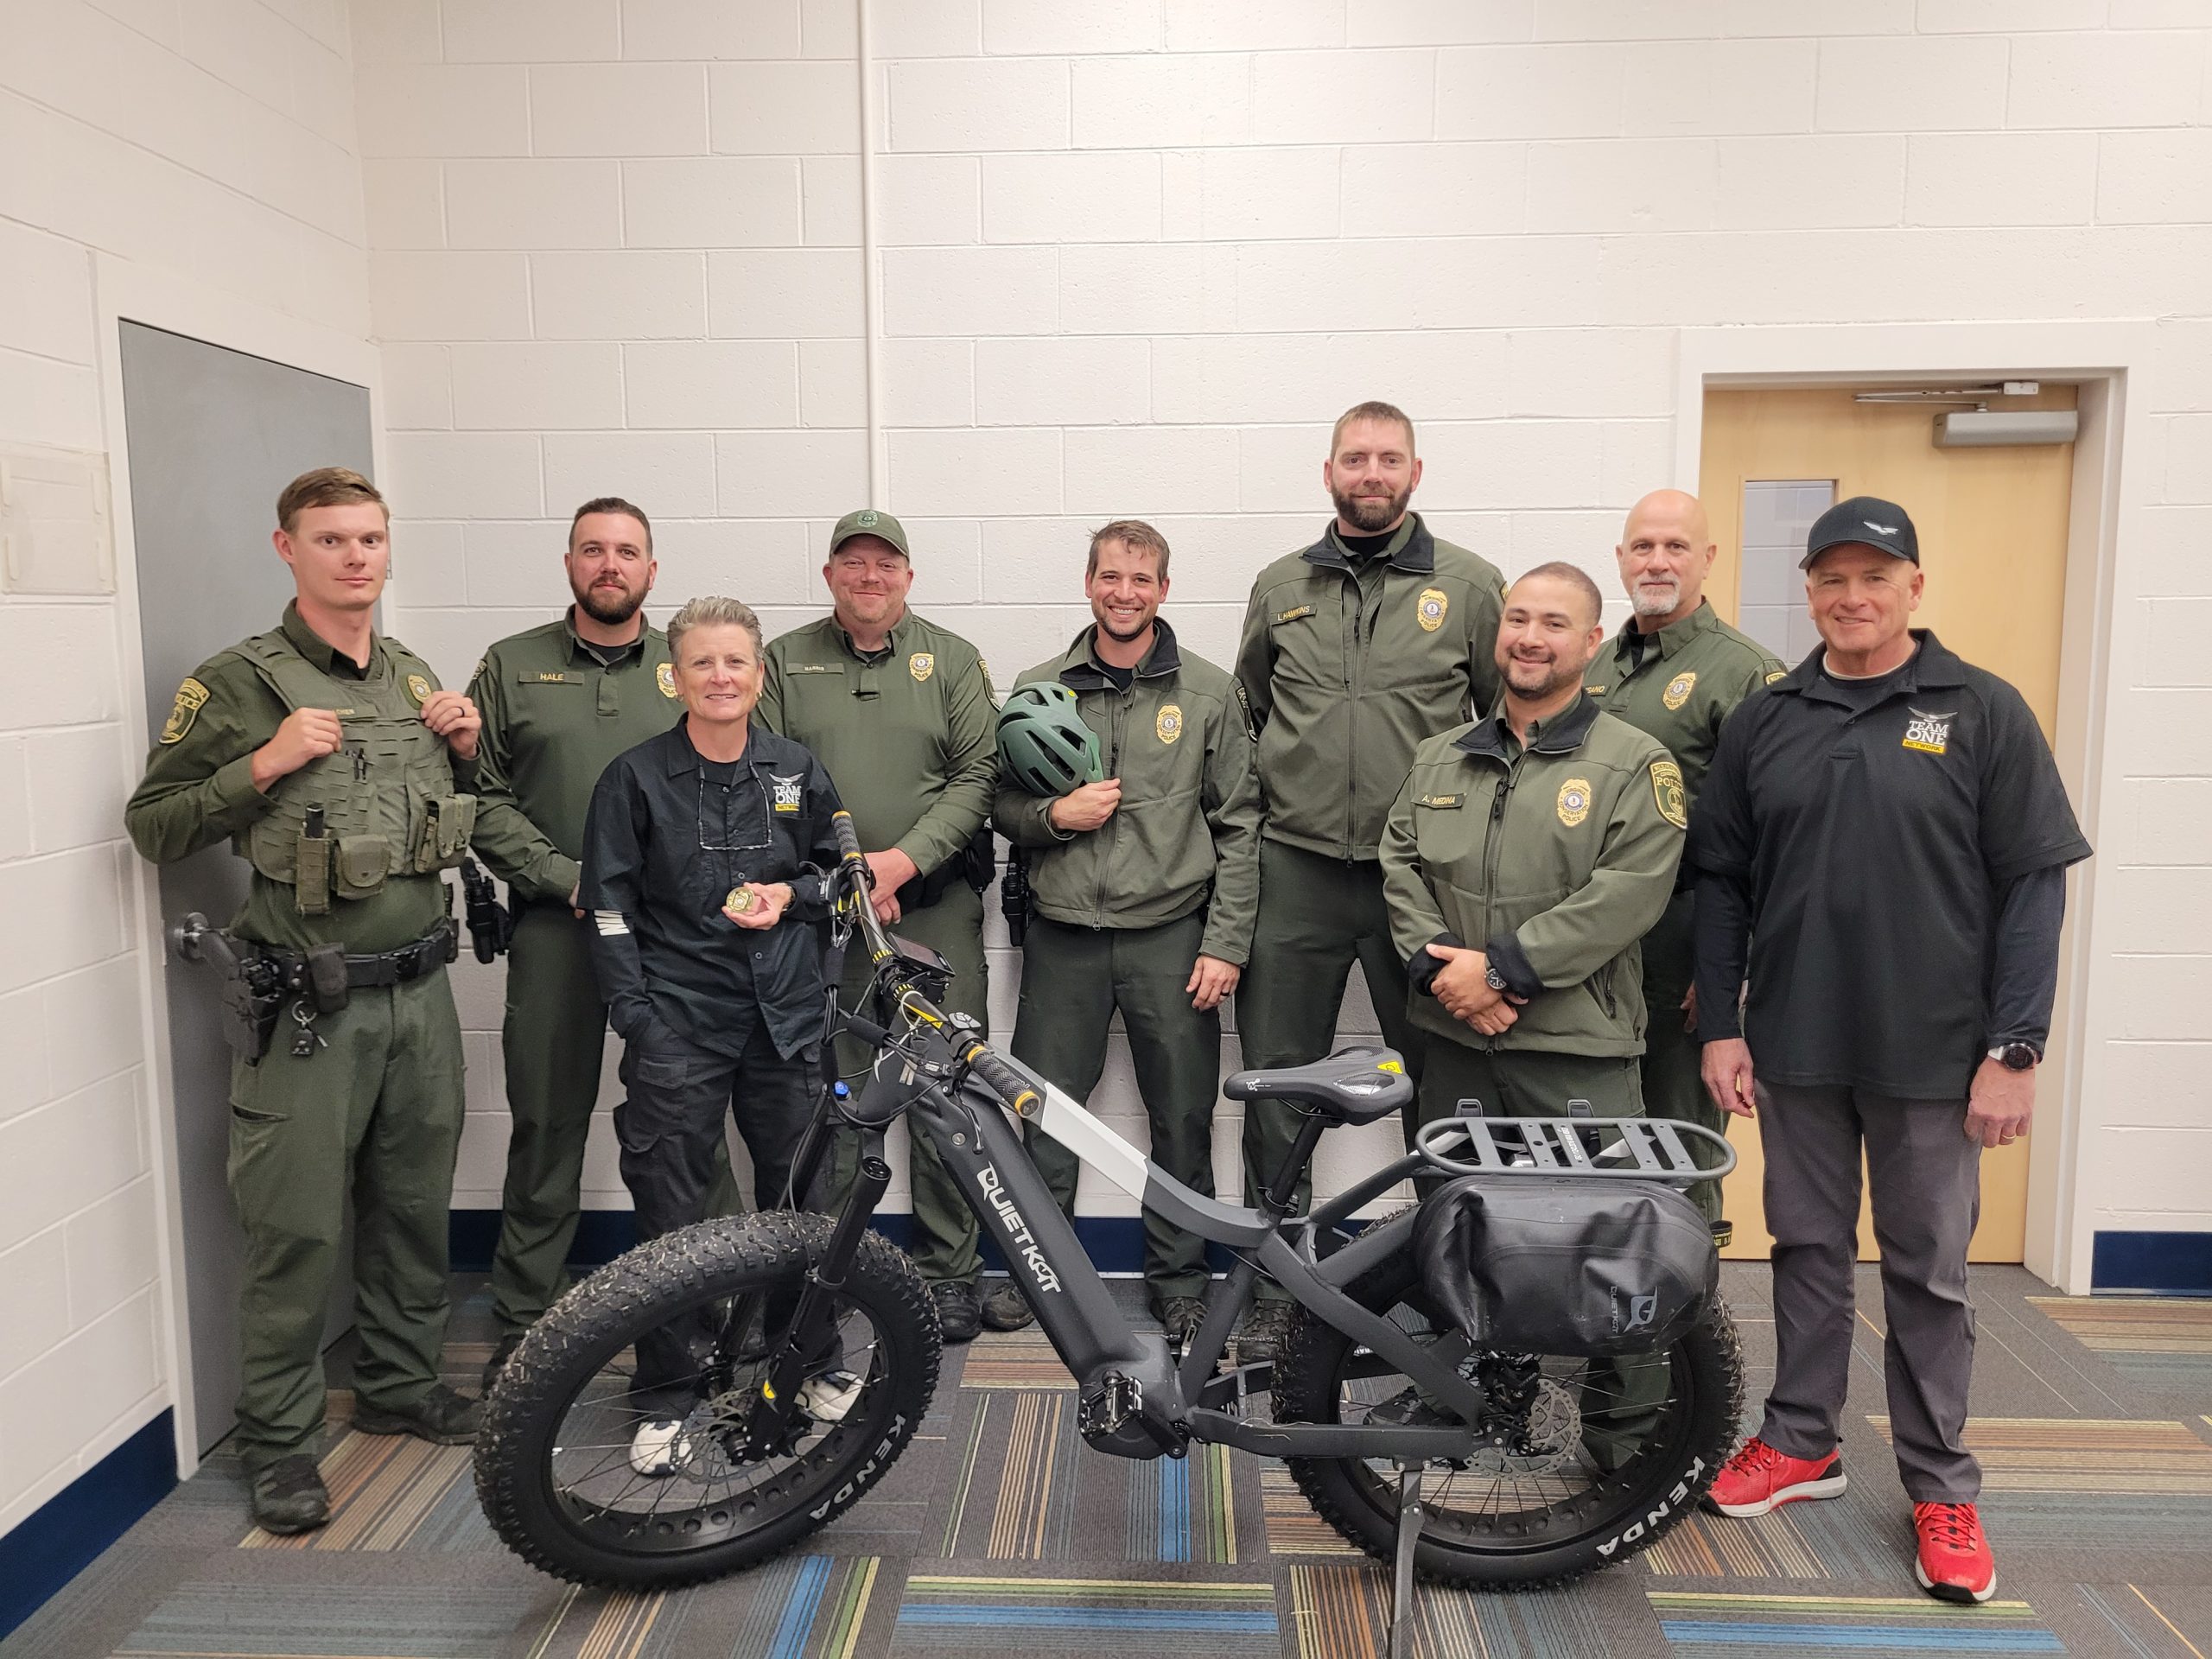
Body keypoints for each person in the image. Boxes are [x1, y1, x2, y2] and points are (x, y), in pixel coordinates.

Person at [1690, 498, 2091, 1605]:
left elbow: (2031, 890)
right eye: (1831, 579)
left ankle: (1940, 1485)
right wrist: (1721, 1022)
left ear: (1915, 587)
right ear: (1808, 591)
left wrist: (2016, 1047)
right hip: (1797, 1040)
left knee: (1927, 1270)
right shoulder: (1769, 717)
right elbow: (1720, 881)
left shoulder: (1982, 711)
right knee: (1805, 1248)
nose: (1852, 597)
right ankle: (1802, 1440)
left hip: (1934, 1052)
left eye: (1875, 577)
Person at [125, 467, 483, 1535]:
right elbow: (155, 826)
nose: (357, 557)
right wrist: (263, 767)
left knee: (415, 1212)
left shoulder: (413, 673)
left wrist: (467, 745)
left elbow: (447, 812)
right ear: (287, 550)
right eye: (332, 540)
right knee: (295, 1235)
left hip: (420, 992)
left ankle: (400, 1380)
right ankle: (280, 1441)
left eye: (371, 538)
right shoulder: (239, 683)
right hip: (309, 1013)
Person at [1231, 399, 1507, 1360]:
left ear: (1415, 473)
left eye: (1389, 459)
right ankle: (1276, 1292)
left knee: (1436, 1089)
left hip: (1415, 883)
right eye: (1356, 458)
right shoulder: (1279, 585)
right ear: (1329, 472)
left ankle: (1443, 1291)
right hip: (1295, 872)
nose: (1371, 473)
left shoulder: (1471, 587)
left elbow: (1500, 732)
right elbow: (1251, 711)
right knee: (1274, 1087)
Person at [581, 594, 849, 1467]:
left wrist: (792, 896)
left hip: (786, 1022)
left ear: (760, 674)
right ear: (676, 676)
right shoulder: (634, 778)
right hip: (680, 1025)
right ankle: (666, 1392)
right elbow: (608, 906)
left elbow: (838, 875)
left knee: (801, 1205)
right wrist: (636, 1017)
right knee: (672, 1211)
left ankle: (806, 1365)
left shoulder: (796, 768)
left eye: (735, 661)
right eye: (703, 663)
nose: (721, 677)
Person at [994, 522, 1262, 1346]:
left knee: (1181, 1117)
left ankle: (1179, 1282)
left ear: (1163, 590)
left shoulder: (1209, 695)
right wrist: (1051, 816)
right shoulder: (1039, 687)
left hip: (1170, 939)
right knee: (1044, 1114)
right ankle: (1040, 1275)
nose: (1124, 593)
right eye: (1111, 577)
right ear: (1089, 582)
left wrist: (1225, 942)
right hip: (1064, 937)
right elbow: (999, 806)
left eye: (1141, 579)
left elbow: (1241, 826)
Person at [756, 509, 1021, 1340]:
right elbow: (766, 775)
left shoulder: (951, 660)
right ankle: (828, 1271)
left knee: (945, 1088)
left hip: (932, 905)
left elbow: (979, 776)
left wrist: (902, 863)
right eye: (853, 563)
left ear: (908, 576)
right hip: (825, 915)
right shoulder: (781, 662)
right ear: (830, 574)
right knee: (834, 1095)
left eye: (886, 564)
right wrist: (847, 875)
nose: (869, 577)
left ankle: (949, 1273)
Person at [463, 498, 702, 1387]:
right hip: (557, 929)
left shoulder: (687, 663)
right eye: (594, 550)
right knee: (547, 1126)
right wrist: (569, 878)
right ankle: (525, 1324)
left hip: (669, 941)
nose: (611, 565)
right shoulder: (512, 667)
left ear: (652, 567)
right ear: (569, 563)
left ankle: (702, 1310)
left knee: (684, 1128)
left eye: (628, 551)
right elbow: (481, 797)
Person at [1380, 562, 1685, 1131]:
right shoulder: (1439, 757)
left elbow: (1629, 892)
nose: (1530, 638)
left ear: (1592, 642)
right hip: (1455, 1050)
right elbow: (1400, 866)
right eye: (1517, 619)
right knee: (1454, 1218)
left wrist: (1499, 972)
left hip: (1574, 1057)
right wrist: (1444, 969)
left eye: (1554, 624)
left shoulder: (1635, 763)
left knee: (1585, 1222)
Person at [1584, 490, 1783, 1234]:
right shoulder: (1597, 663)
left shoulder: (1745, 675)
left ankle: (1683, 1343)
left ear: (1708, 559)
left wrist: (1729, 971)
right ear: (1621, 558)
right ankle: (1611, 1330)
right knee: (1602, 1141)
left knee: (1675, 1145)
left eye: (1675, 546)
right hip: (1600, 947)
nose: (1657, 561)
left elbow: (1772, 840)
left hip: (1686, 945)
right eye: (1642, 546)